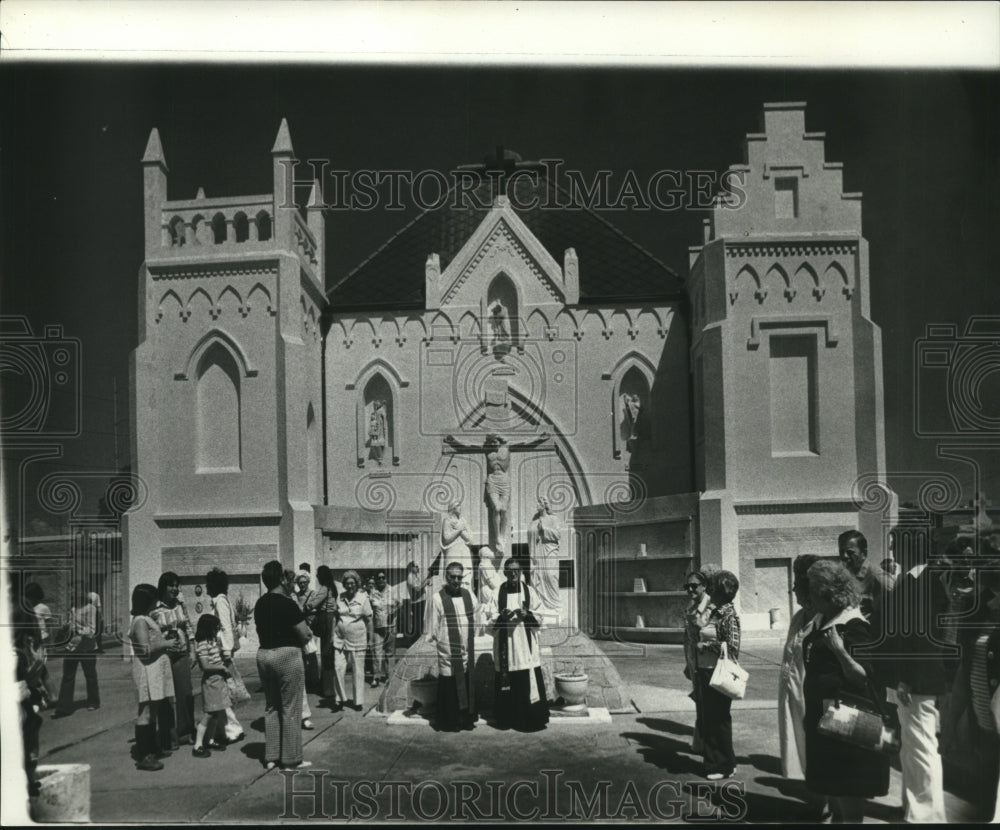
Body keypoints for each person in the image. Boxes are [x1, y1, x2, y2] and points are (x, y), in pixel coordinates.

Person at [802, 560, 889, 823]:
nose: (808, 594)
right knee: (833, 785)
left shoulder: (854, 625)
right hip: (825, 712)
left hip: (848, 716)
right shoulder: (821, 620)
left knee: (849, 788)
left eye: (812, 589)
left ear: (826, 592)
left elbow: (865, 677)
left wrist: (840, 651)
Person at [881, 529, 949, 823]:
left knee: (921, 748)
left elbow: (920, 637)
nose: (893, 550)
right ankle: (913, 806)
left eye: (896, 545)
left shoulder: (923, 581)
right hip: (911, 678)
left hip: (917, 680)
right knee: (911, 748)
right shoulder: (913, 579)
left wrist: (906, 677)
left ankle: (928, 815)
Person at [254, 560, 313, 770]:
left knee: (271, 707)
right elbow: (304, 633)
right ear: (281, 579)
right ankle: (291, 759)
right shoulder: (288, 603)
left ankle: (271, 757)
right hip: (287, 655)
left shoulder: (260, 603)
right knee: (290, 708)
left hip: (264, 655)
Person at [488, 558, 549, 732]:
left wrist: (527, 614)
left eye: (517, 570)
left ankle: (528, 720)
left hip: (525, 646)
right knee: (507, 681)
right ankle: (507, 720)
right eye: (509, 570)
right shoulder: (496, 593)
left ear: (521, 572)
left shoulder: (529, 592)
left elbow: (540, 615)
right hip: (505, 645)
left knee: (526, 680)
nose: (513, 573)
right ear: (505, 572)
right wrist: (501, 617)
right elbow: (488, 617)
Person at [693, 569, 742, 780]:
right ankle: (713, 762)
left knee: (719, 719)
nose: (709, 591)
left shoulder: (729, 615)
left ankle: (725, 765)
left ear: (722, 591)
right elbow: (698, 624)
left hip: (719, 672)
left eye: (713, 588)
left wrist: (707, 645)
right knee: (709, 719)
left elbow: (732, 647)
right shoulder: (715, 610)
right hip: (705, 671)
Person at [778, 555, 820, 786]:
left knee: (814, 744)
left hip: (811, 696)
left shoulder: (823, 619)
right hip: (793, 693)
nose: (793, 588)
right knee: (797, 741)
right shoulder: (798, 617)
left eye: (798, 584)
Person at [425, 562, 480, 731]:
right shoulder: (437, 598)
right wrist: (440, 642)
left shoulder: (469, 595)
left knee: (466, 680)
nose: (456, 580)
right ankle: (450, 722)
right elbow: (432, 626)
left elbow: (476, 619)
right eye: (452, 577)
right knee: (450, 685)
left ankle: (466, 719)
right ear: (446, 577)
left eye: (459, 577)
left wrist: (470, 638)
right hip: (448, 649)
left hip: (466, 648)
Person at [127, 583, 175, 772]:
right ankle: (144, 754)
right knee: (145, 711)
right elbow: (146, 649)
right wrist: (166, 643)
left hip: (155, 669)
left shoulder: (146, 618)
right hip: (147, 669)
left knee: (153, 708)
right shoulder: (139, 621)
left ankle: (152, 748)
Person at [150, 572, 195, 749]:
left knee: (185, 694)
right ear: (163, 587)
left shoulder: (180, 605)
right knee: (166, 697)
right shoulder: (154, 609)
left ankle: (186, 732)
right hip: (164, 656)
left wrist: (193, 649)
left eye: (177, 585)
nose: (175, 589)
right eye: (171, 585)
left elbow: (188, 626)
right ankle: (168, 737)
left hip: (182, 653)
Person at [14, 592, 51, 793]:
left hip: (23, 703)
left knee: (28, 738)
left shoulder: (23, 649)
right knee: (26, 741)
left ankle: (27, 781)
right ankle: (25, 782)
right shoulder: (19, 651)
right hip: (19, 703)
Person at [206, 568, 245, 743]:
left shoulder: (220, 601)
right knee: (223, 690)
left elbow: (226, 627)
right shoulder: (221, 600)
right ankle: (227, 728)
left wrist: (226, 651)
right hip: (223, 651)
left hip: (222, 653)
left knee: (223, 691)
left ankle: (232, 729)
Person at [52, 583, 101, 718]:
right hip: (73, 646)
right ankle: (63, 707)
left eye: (74, 591)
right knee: (68, 676)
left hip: (87, 647)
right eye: (71, 592)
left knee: (90, 675)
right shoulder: (74, 608)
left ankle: (93, 701)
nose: (72, 594)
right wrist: (67, 627)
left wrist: (78, 630)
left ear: (82, 593)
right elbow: (72, 624)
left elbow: (92, 630)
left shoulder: (91, 609)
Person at [683, 566, 716, 753]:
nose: (690, 590)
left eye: (694, 586)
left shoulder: (710, 606)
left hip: (707, 660)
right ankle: (701, 742)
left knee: (707, 703)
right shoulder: (691, 605)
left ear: (704, 586)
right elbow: (686, 638)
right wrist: (687, 663)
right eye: (687, 586)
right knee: (699, 700)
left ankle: (708, 744)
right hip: (694, 659)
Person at [331, 570, 374, 710]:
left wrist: (371, 639)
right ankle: (339, 699)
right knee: (338, 667)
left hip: (358, 638)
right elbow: (335, 617)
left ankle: (358, 701)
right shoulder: (340, 597)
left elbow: (369, 620)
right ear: (344, 584)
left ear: (356, 584)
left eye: (352, 583)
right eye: (347, 583)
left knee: (358, 670)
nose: (349, 586)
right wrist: (332, 634)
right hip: (340, 638)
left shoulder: (363, 598)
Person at [192, 614, 231, 757]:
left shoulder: (212, 641)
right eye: (215, 628)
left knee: (216, 712)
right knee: (209, 713)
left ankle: (210, 739)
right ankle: (198, 744)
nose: (217, 630)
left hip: (218, 680)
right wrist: (221, 668)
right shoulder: (203, 644)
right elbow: (205, 665)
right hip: (211, 681)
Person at [281, 569, 316, 729]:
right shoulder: (280, 598)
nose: (292, 585)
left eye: (291, 582)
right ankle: (289, 717)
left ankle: (304, 716)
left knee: (299, 680)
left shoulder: (293, 598)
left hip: (296, 643)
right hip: (282, 644)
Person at [838, 530, 896, 625]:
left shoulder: (879, 578)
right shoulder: (843, 574)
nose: (844, 556)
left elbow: (893, 614)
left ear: (864, 553)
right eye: (841, 551)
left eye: (850, 552)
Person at [305, 565, 340, 700]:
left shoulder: (324, 589)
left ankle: (327, 689)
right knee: (329, 653)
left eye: (318, 574)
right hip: (331, 619)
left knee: (326, 653)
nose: (317, 577)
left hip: (326, 620)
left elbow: (312, 604)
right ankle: (330, 686)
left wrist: (306, 606)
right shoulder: (333, 588)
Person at [529, 497, 563, 620]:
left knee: (550, 575)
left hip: (550, 550)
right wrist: (535, 531)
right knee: (540, 576)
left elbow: (558, 534)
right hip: (538, 550)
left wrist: (544, 528)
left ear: (545, 505)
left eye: (539, 502)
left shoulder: (553, 519)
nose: (537, 504)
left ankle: (555, 604)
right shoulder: (534, 521)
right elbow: (532, 535)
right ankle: (540, 604)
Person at [369, 571, 399, 687]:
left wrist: (393, 610)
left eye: (383, 577)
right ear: (376, 580)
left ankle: (389, 677)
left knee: (390, 653)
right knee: (376, 653)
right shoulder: (373, 592)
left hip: (391, 626)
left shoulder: (393, 590)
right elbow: (370, 609)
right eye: (379, 578)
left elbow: (400, 604)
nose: (381, 580)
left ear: (386, 579)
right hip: (377, 627)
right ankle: (376, 677)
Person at [440, 500, 473, 591]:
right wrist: (458, 530)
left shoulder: (463, 521)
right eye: (458, 506)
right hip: (453, 551)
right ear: (453, 508)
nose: (460, 508)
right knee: (452, 573)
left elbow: (471, 540)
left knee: (465, 577)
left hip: (464, 551)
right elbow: (446, 539)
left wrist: (461, 531)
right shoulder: (447, 521)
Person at [26, 582, 53, 661]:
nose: (29, 600)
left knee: (39, 661)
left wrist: (50, 643)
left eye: (31, 597)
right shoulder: (25, 608)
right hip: (28, 639)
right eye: (27, 597)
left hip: (41, 638)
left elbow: (49, 626)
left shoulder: (43, 608)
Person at [477, 547, 500, 635]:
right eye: (490, 551)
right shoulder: (485, 565)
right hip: (489, 589)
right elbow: (490, 581)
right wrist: (500, 588)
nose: (492, 552)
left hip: (491, 588)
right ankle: (489, 623)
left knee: (492, 606)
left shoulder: (488, 565)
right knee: (492, 605)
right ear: (486, 555)